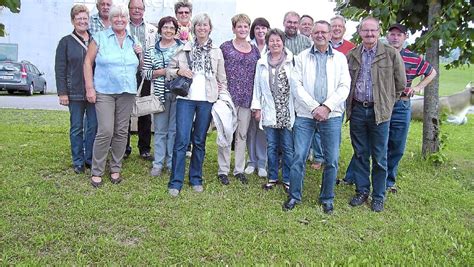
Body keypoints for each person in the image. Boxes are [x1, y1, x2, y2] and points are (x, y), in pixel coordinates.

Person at [283, 21, 350, 214]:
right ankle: (294, 196)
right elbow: (296, 86)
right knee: (299, 156)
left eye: (324, 32)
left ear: (330, 35)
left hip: (332, 115)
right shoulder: (302, 57)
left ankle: (327, 198)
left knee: (332, 159)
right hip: (306, 114)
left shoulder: (340, 59)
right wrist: (315, 108)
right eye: (316, 32)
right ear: (311, 35)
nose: (320, 35)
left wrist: (327, 107)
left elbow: (344, 86)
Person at [345, 17, 406, 212]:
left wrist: (386, 103)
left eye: (373, 31)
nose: (369, 34)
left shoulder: (390, 53)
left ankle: (378, 195)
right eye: (365, 31)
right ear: (360, 32)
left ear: (379, 32)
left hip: (379, 112)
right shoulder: (352, 54)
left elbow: (401, 84)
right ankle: (362, 190)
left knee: (380, 156)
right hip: (357, 110)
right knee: (361, 153)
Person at [167, 13, 227, 197]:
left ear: (210, 28)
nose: (201, 28)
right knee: (182, 140)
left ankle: (195, 178)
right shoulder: (184, 48)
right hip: (186, 99)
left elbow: (222, 78)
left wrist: (221, 93)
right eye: (198, 25)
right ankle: (176, 181)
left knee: (199, 141)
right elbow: (169, 70)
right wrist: (179, 70)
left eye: (205, 25)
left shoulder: (216, 51)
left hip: (206, 100)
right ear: (194, 28)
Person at [84, 4, 143, 187]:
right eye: (116, 17)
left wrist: (140, 55)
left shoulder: (133, 39)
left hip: (127, 91)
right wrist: (89, 88)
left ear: (127, 20)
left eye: (123, 17)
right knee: (106, 130)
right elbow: (87, 62)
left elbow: (139, 67)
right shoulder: (100, 37)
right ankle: (97, 170)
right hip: (105, 91)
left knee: (121, 131)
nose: (119, 20)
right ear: (110, 19)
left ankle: (116, 168)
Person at [385, 23, 437, 193]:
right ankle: (375, 178)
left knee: (397, 145)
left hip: (401, 105)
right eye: (392, 34)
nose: (395, 37)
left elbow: (431, 73)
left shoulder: (413, 58)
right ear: (387, 36)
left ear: (405, 37)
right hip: (382, 104)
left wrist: (418, 87)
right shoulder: (381, 55)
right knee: (379, 144)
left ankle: (389, 180)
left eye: (399, 35)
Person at [217, 14, 260, 185]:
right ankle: (223, 170)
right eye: (239, 26)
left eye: (245, 26)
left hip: (247, 98)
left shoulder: (254, 50)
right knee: (226, 132)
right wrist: (219, 86)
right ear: (234, 28)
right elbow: (218, 68)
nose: (243, 29)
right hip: (229, 96)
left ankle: (239, 169)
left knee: (242, 134)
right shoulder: (225, 47)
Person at [251, 28, 295, 192]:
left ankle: (288, 179)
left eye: (278, 40)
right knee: (272, 146)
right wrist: (257, 107)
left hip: (287, 110)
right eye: (272, 41)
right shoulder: (261, 62)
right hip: (269, 109)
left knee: (288, 147)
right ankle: (272, 177)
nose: (275, 43)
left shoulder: (292, 60)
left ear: (283, 42)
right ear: (267, 43)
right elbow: (257, 87)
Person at [55, 4, 97, 174]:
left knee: (93, 126)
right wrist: (62, 92)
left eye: (84, 19)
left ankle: (90, 158)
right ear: (73, 21)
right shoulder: (65, 42)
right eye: (78, 19)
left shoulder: (96, 40)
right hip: (74, 92)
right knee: (77, 127)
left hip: (94, 91)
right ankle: (78, 160)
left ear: (89, 21)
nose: (82, 22)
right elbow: (60, 69)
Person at [144, 16, 183, 177]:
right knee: (160, 131)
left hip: (178, 95)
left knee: (174, 130)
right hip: (159, 95)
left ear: (176, 31)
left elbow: (186, 70)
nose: (168, 31)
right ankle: (158, 163)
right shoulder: (151, 50)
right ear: (160, 30)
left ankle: (171, 162)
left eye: (172, 28)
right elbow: (146, 73)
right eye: (165, 27)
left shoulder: (183, 48)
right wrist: (165, 71)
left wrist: (172, 71)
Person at [124, 0, 158, 160]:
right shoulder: (123, 27)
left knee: (145, 110)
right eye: (133, 8)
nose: (136, 10)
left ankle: (144, 148)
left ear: (144, 10)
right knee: (124, 111)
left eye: (139, 8)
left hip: (145, 74)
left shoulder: (152, 29)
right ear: (129, 9)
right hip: (126, 74)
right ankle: (124, 147)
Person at [245, 17, 270, 178]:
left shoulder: (272, 47)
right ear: (253, 31)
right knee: (250, 129)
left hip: (265, 95)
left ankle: (262, 162)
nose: (261, 31)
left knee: (262, 129)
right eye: (257, 28)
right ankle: (251, 161)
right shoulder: (249, 47)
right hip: (248, 93)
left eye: (264, 28)